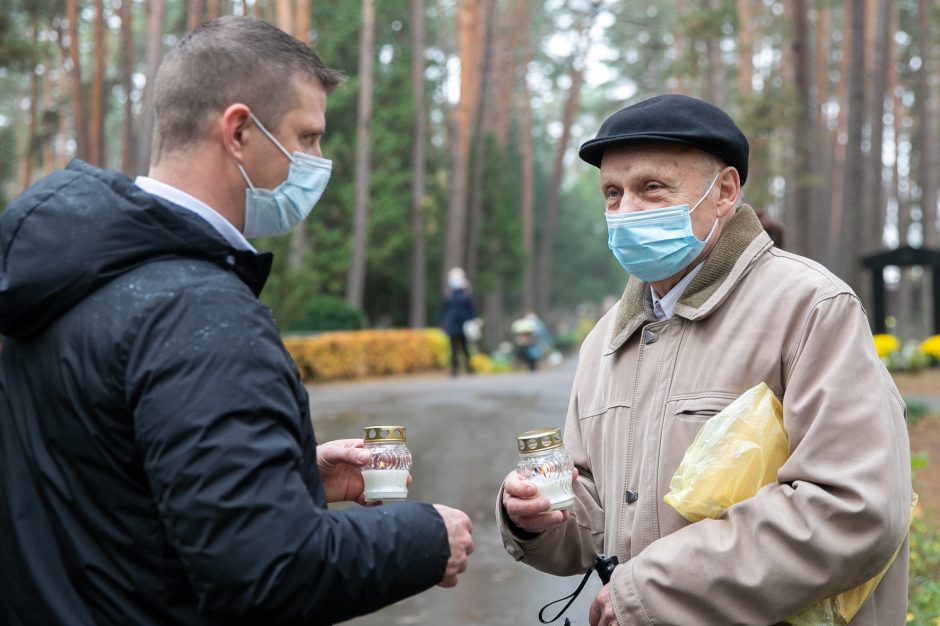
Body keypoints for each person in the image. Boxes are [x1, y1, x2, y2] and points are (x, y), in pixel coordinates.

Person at [0, 17, 473, 625]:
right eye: (307, 137)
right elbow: (267, 573)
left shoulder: (68, 280)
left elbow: (103, 490)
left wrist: (294, 477)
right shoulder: (200, 309)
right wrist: (425, 537)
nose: (318, 162)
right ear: (240, 131)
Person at [496, 94, 911, 625]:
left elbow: (854, 510)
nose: (626, 211)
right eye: (613, 193)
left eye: (652, 188)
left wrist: (652, 592)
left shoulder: (809, 308)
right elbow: (601, 518)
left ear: (725, 192)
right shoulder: (605, 340)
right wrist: (537, 517)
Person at [439, 267, 477, 376]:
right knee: (453, 347)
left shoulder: (466, 293)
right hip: (452, 324)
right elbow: (443, 309)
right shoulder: (448, 293)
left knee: (465, 347)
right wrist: (441, 322)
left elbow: (471, 309)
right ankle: (454, 369)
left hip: (464, 323)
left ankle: (469, 367)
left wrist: (473, 320)